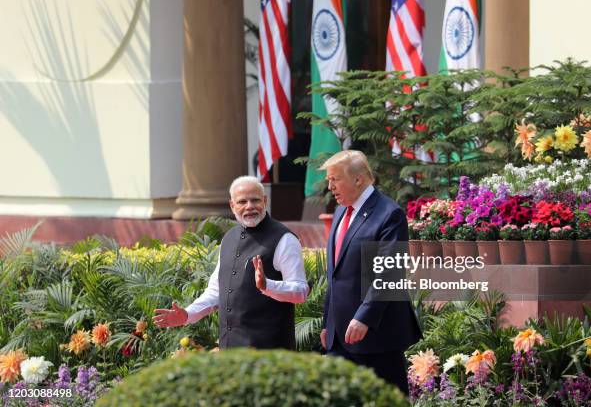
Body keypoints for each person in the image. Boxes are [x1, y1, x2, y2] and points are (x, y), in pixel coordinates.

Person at [153, 176, 309, 350]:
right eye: (242, 201)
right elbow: (215, 292)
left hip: (269, 354)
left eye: (255, 200)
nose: (249, 206)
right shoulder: (229, 238)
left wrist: (268, 286)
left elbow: (300, 291)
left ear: (265, 201)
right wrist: (187, 315)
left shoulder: (284, 239)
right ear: (232, 206)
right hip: (231, 352)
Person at [319, 150, 422, 394]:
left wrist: (364, 316)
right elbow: (335, 274)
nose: (330, 187)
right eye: (329, 180)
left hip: (376, 335)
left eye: (336, 179)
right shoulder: (340, 212)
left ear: (359, 179)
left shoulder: (389, 214)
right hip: (339, 337)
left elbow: (389, 273)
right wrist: (328, 323)